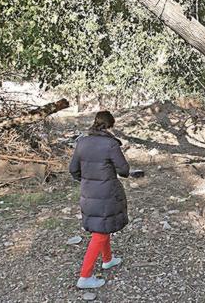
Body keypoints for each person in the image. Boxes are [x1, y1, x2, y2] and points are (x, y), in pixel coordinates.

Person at [69, 111, 130, 289]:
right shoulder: (110, 144)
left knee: (102, 226)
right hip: (107, 192)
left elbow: (73, 169)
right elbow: (124, 170)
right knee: (100, 232)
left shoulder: (82, 142)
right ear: (110, 125)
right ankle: (85, 277)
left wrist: (88, 181)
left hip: (88, 192)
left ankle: (108, 260)